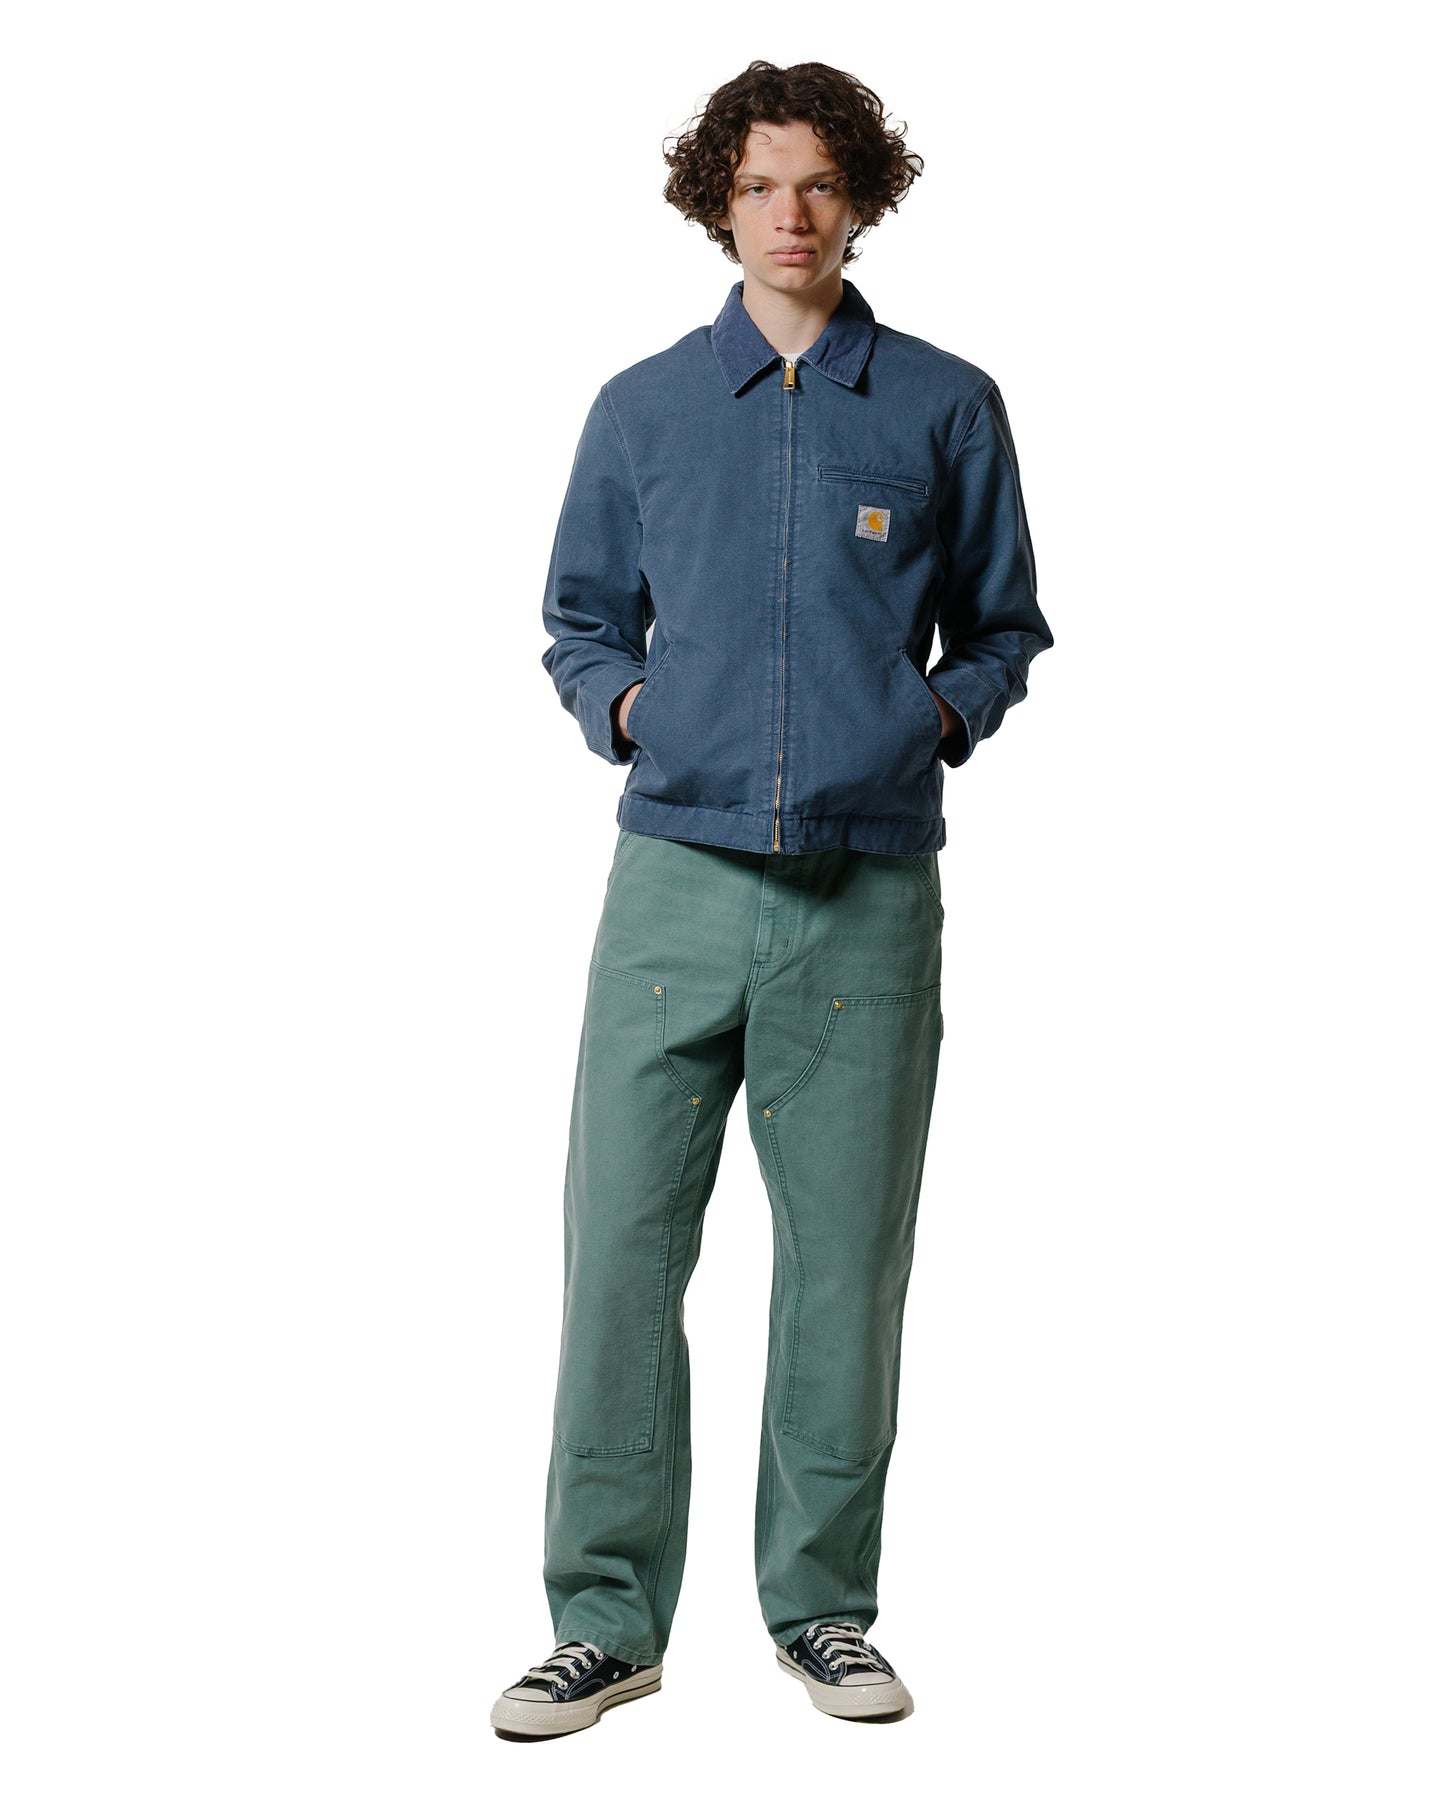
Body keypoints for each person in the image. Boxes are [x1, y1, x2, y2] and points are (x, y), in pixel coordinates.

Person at [491, 58, 1053, 1741]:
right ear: (714, 203)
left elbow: (1004, 627)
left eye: (816, 183)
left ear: (859, 198)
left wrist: (930, 721)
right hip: (670, 884)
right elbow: (578, 619)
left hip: (866, 894)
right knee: (618, 1256)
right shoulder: (644, 408)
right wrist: (632, 710)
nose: (788, 215)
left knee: (842, 1272)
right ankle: (604, 1621)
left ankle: (821, 1610)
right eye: (756, 185)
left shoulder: (942, 404)